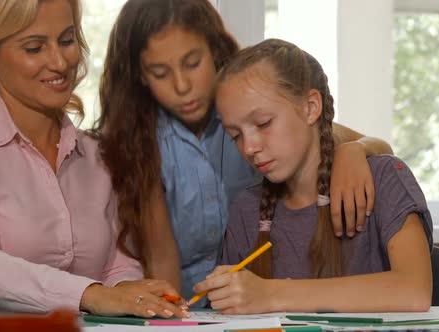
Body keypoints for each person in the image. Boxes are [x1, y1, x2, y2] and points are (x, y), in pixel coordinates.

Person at [95, 0, 394, 303]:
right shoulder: (141, 142)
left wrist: (354, 151)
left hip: (264, 304)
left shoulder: (247, 108)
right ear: (141, 77)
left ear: (213, 50)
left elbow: (372, 145)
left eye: (192, 63)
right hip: (194, 311)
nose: (182, 85)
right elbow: (161, 262)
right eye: (160, 73)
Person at [0, 0, 187, 318]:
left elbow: (118, 266)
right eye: (34, 48)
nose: (60, 62)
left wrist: (128, 292)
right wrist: (90, 294)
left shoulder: (98, 155)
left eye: (66, 40)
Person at [193, 39, 433, 314]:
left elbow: (414, 291)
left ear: (310, 107)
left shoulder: (384, 179)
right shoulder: (246, 210)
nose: (249, 147)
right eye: (235, 135)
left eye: (263, 123)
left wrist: (271, 294)